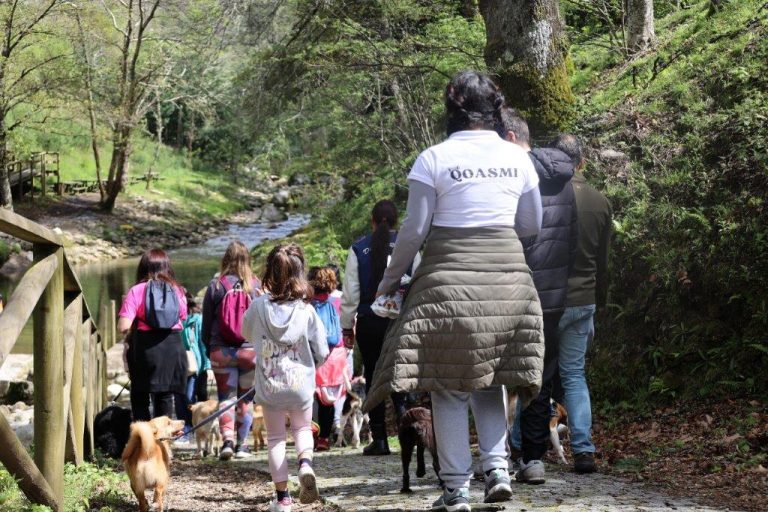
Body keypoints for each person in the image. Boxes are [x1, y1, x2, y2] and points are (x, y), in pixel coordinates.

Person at [364, 71, 545, 511]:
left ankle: (456, 489)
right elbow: (532, 225)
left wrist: (389, 282)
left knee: (447, 384)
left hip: (448, 281)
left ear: (453, 111)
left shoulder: (433, 158)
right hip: (508, 280)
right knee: (492, 378)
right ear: (494, 110)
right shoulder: (518, 157)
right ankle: (498, 469)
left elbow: (414, 232)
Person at [497, 108, 578, 484]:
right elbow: (571, 240)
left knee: (496, 373)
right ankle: (532, 460)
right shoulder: (564, 177)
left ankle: (496, 459)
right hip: (552, 295)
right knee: (540, 376)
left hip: (512, 286)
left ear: (510, 139)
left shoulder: (511, 173)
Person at [242, 244, 329, 512]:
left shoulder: (258, 306)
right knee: (303, 428)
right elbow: (323, 351)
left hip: (270, 385)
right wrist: (313, 362)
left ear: (269, 273)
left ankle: (283, 500)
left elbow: (246, 333)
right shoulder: (306, 311)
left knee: (276, 439)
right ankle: (305, 464)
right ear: (299, 274)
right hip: (301, 384)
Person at [549, 133, 612, 474]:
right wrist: (597, 301)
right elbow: (603, 262)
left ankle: (519, 449)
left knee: (538, 377)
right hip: (583, 298)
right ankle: (584, 450)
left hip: (548, 300)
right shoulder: (600, 201)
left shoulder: (543, 196)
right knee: (574, 375)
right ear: (582, 161)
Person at [340, 200, 419, 456]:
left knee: (374, 378)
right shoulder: (410, 247)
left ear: (372, 221)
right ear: (396, 220)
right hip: (400, 320)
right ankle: (409, 432)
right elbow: (419, 284)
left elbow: (351, 294)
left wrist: (346, 328)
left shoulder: (358, 249)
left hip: (369, 321)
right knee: (401, 374)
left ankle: (380, 439)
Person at [202, 240, 262, 460]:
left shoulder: (216, 285)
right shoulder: (256, 286)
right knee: (245, 400)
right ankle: (242, 445)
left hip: (222, 352)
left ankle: (227, 442)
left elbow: (206, 323)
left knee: (226, 398)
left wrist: (208, 347)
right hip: (249, 352)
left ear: (225, 259)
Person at [118, 249, 188, 421]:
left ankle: (143, 441)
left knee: (140, 395)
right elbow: (183, 317)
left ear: (143, 268)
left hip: (145, 349)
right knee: (165, 396)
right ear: (167, 267)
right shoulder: (177, 291)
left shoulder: (136, 291)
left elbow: (123, 326)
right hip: (172, 346)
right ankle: (162, 443)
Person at [308, 266, 345, 451]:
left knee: (309, 396)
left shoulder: (305, 304)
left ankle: (311, 430)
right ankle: (323, 438)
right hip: (334, 356)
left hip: (311, 355)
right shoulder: (338, 302)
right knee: (328, 400)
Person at [174, 295, 210, 443]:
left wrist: (207, 366)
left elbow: (203, 344)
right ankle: (185, 429)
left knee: (190, 396)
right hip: (178, 364)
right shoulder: (172, 320)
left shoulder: (197, 320)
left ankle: (198, 427)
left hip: (196, 365)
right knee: (179, 397)